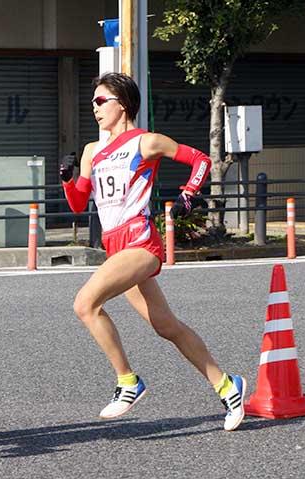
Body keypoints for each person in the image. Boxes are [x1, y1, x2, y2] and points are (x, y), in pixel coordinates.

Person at [60, 72, 246, 431]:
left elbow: (201, 161)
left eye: (101, 101)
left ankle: (128, 381)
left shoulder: (147, 142)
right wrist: (68, 178)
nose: (94, 108)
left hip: (140, 243)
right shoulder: (91, 152)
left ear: (123, 104)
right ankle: (227, 385)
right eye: (92, 102)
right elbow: (78, 204)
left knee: (85, 304)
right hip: (115, 249)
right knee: (166, 326)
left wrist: (189, 195)